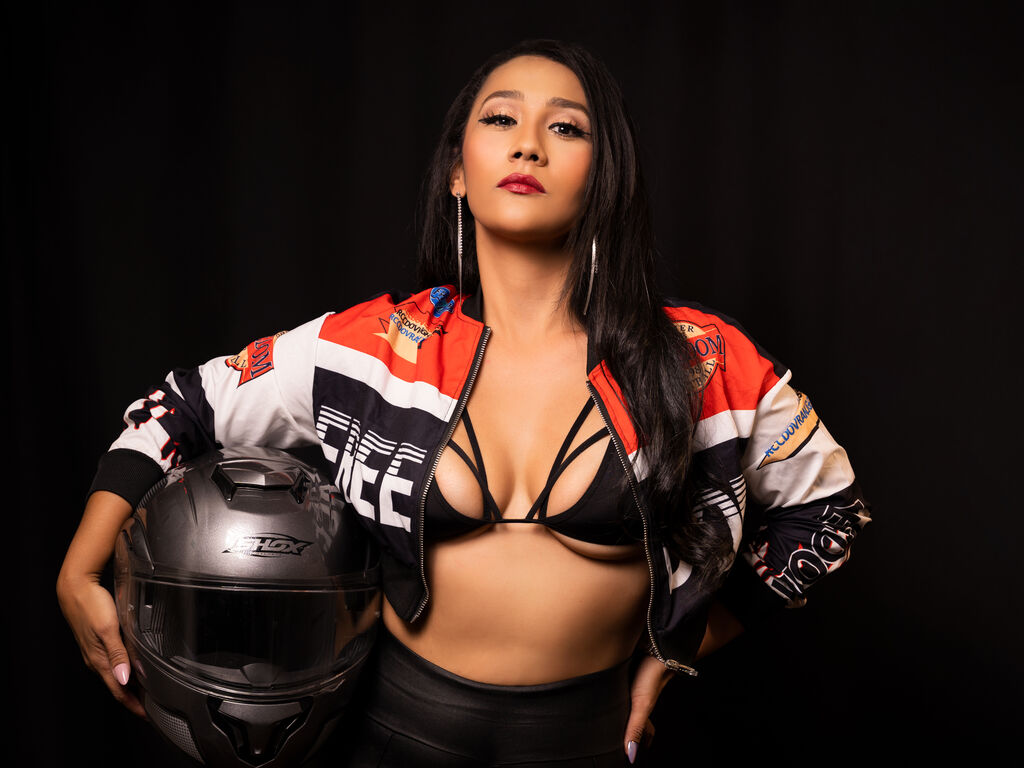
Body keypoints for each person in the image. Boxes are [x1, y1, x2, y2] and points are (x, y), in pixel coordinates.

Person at [57, 39, 870, 766]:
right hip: (387, 732)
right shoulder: (377, 346)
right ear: (457, 170)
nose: (528, 143)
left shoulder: (698, 359)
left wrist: (679, 646)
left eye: (566, 127)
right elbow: (185, 406)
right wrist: (81, 566)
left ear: (606, 177)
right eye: (501, 118)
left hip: (586, 741)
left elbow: (829, 512)